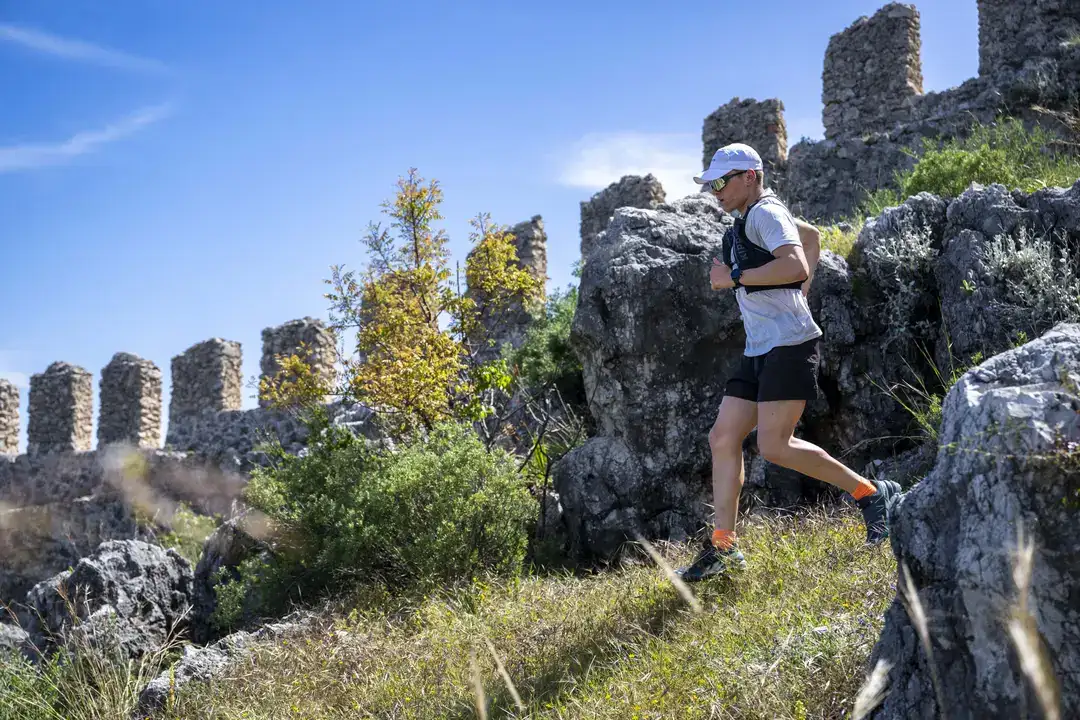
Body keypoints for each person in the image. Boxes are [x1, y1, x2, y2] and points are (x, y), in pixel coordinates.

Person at [676, 142, 902, 582]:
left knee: (774, 446)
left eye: (721, 182)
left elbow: (795, 262)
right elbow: (812, 238)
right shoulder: (752, 216)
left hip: (789, 345)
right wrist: (798, 296)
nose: (714, 192)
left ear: (750, 177)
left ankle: (871, 494)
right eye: (710, 184)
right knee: (723, 438)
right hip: (760, 347)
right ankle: (724, 548)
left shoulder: (764, 214)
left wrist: (736, 279)